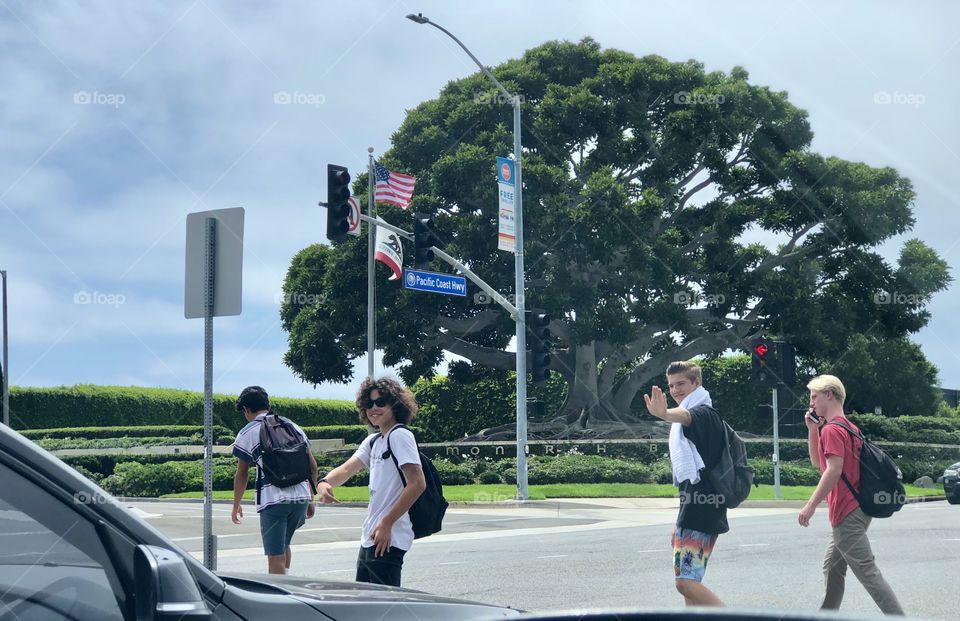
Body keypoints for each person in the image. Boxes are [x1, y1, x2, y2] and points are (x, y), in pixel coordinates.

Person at [799, 375, 904, 615]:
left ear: (830, 395)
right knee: (833, 568)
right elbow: (820, 463)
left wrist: (810, 505)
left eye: (814, 396)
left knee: (868, 572)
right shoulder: (848, 427)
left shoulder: (833, 430)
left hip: (846, 513)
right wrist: (813, 430)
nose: (811, 402)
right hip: (856, 509)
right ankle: (827, 615)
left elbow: (833, 471)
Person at [316, 377, 426, 587]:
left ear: (395, 404)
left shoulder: (400, 435)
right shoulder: (375, 440)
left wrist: (387, 523)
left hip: (388, 537)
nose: (374, 408)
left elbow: (417, 483)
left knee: (385, 608)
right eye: (369, 404)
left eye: (381, 402)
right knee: (365, 605)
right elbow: (348, 469)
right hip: (371, 536)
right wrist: (324, 482)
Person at [644, 360, 727, 607]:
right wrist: (679, 521)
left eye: (681, 384)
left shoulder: (705, 413)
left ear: (696, 383)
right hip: (694, 507)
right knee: (690, 588)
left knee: (685, 583)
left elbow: (688, 416)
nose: (676, 390)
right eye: (671, 386)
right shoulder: (696, 413)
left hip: (703, 509)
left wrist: (665, 414)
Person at [230, 385, 318, 575]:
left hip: (273, 501)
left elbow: (242, 474)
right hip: (300, 499)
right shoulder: (292, 426)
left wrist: (236, 504)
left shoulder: (247, 432)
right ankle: (287, 588)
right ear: (267, 405)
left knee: (275, 556)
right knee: (284, 544)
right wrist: (310, 498)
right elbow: (313, 467)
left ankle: (281, 599)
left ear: (246, 409)